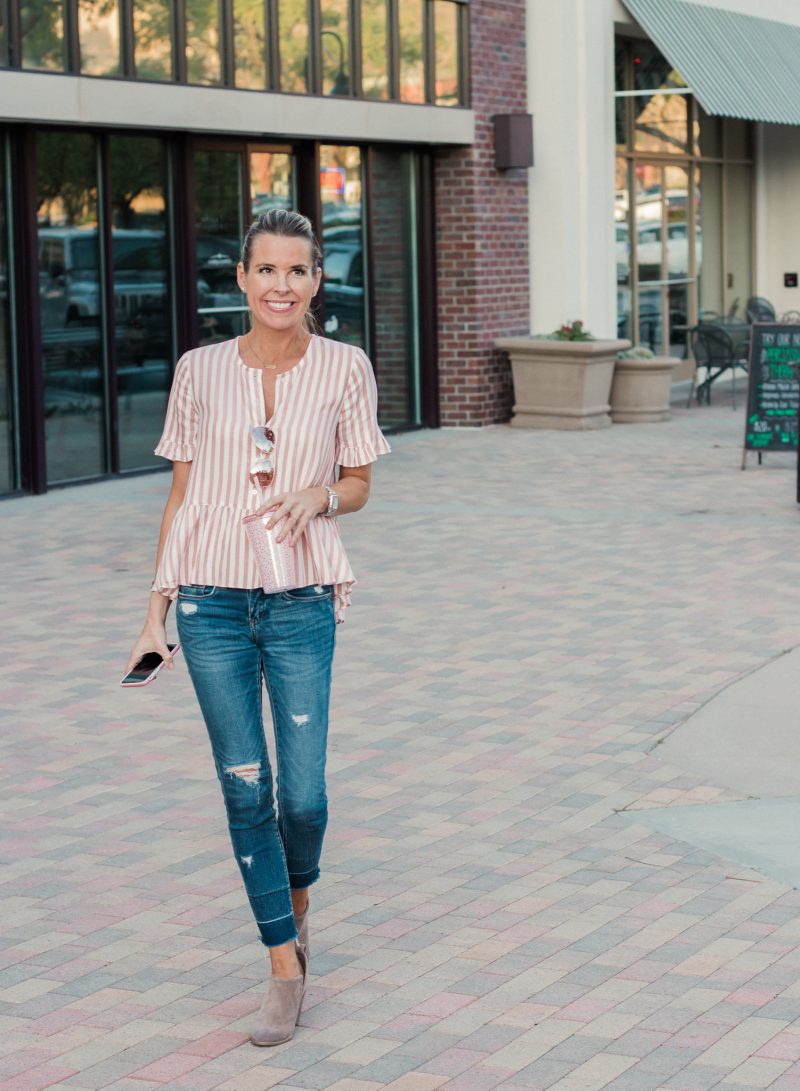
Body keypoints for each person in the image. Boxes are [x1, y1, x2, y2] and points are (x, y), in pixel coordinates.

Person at [125, 209, 390, 1046]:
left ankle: (298, 900)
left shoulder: (346, 367)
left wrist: (322, 496)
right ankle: (282, 962)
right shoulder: (199, 371)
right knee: (246, 786)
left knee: (303, 795)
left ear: (317, 280)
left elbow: (358, 483)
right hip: (209, 604)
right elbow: (180, 497)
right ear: (240, 278)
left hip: (302, 599)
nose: (281, 285)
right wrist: (154, 611)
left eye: (297, 271)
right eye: (265, 270)